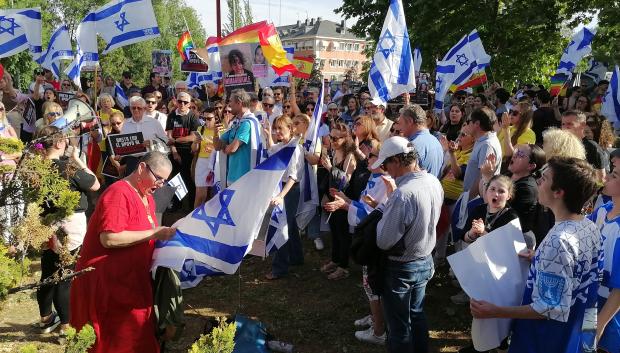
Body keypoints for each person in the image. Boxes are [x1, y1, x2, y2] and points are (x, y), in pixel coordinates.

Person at [470, 157, 601, 353]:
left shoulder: (559, 241)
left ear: (558, 192)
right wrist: (539, 259)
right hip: (574, 331)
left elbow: (548, 308)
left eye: (544, 179)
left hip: (544, 339)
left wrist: (495, 311)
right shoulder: (588, 225)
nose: (537, 182)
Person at [70, 152, 175, 353]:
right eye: (158, 178)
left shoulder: (147, 197)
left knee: (137, 338)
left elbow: (145, 234)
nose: (161, 184)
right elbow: (109, 238)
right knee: (114, 342)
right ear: (142, 168)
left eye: (165, 181)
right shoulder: (118, 193)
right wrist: (155, 233)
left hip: (131, 281)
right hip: (107, 284)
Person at [372, 136, 443, 353]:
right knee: (417, 315)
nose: (385, 170)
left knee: (399, 327)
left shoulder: (403, 194)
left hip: (402, 267)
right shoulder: (433, 181)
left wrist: (380, 213)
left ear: (397, 161)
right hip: (424, 260)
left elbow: (383, 241)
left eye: (385, 164)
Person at [36, 126, 99, 337]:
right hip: (70, 225)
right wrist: (78, 159)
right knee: (65, 277)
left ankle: (46, 319)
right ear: (59, 143)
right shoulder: (67, 168)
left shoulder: (36, 169)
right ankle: (65, 326)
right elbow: (95, 184)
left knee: (47, 272)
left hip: (45, 223)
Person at [263, 115, 307, 280]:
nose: (277, 131)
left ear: (290, 129)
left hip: (289, 190)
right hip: (283, 188)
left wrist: (281, 196)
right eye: (276, 128)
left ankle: (279, 267)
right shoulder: (283, 145)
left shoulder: (295, 148)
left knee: (282, 226)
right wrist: (268, 135)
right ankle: (296, 257)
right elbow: (271, 150)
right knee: (290, 224)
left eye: (280, 128)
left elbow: (293, 177)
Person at [320, 122, 357, 280]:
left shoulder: (350, 157)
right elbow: (331, 179)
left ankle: (344, 266)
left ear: (345, 138)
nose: (333, 141)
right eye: (331, 137)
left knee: (342, 233)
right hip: (332, 197)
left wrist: (330, 168)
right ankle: (335, 260)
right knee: (334, 231)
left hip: (343, 200)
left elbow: (346, 181)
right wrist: (324, 195)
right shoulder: (335, 152)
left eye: (336, 138)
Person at [588, 168, 620, 353]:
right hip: (591, 307)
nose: (606, 176)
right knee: (585, 346)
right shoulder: (603, 211)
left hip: (609, 318)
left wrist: (599, 326)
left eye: (614, 175)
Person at [213, 89, 261, 186]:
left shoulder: (248, 123)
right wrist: (215, 134)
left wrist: (225, 148)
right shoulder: (235, 123)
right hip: (231, 176)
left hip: (243, 178)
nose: (229, 105)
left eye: (231, 101)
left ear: (239, 103)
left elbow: (232, 149)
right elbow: (217, 146)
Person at [395, 104, 444, 178]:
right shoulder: (436, 141)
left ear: (410, 121)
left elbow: (406, 179)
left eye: (401, 123)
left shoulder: (412, 146)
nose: (399, 127)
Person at [561, 110, 608, 183]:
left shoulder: (591, 146)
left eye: (569, 124)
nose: (565, 127)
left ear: (582, 125)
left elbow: (601, 178)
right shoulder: (562, 144)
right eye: (563, 124)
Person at [191, 108, 219, 208]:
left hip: (216, 163)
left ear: (216, 118)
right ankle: (195, 219)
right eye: (204, 118)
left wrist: (213, 147)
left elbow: (222, 147)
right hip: (202, 161)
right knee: (200, 195)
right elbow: (194, 149)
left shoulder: (221, 129)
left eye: (209, 118)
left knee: (214, 194)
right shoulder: (201, 129)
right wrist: (196, 142)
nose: (206, 121)